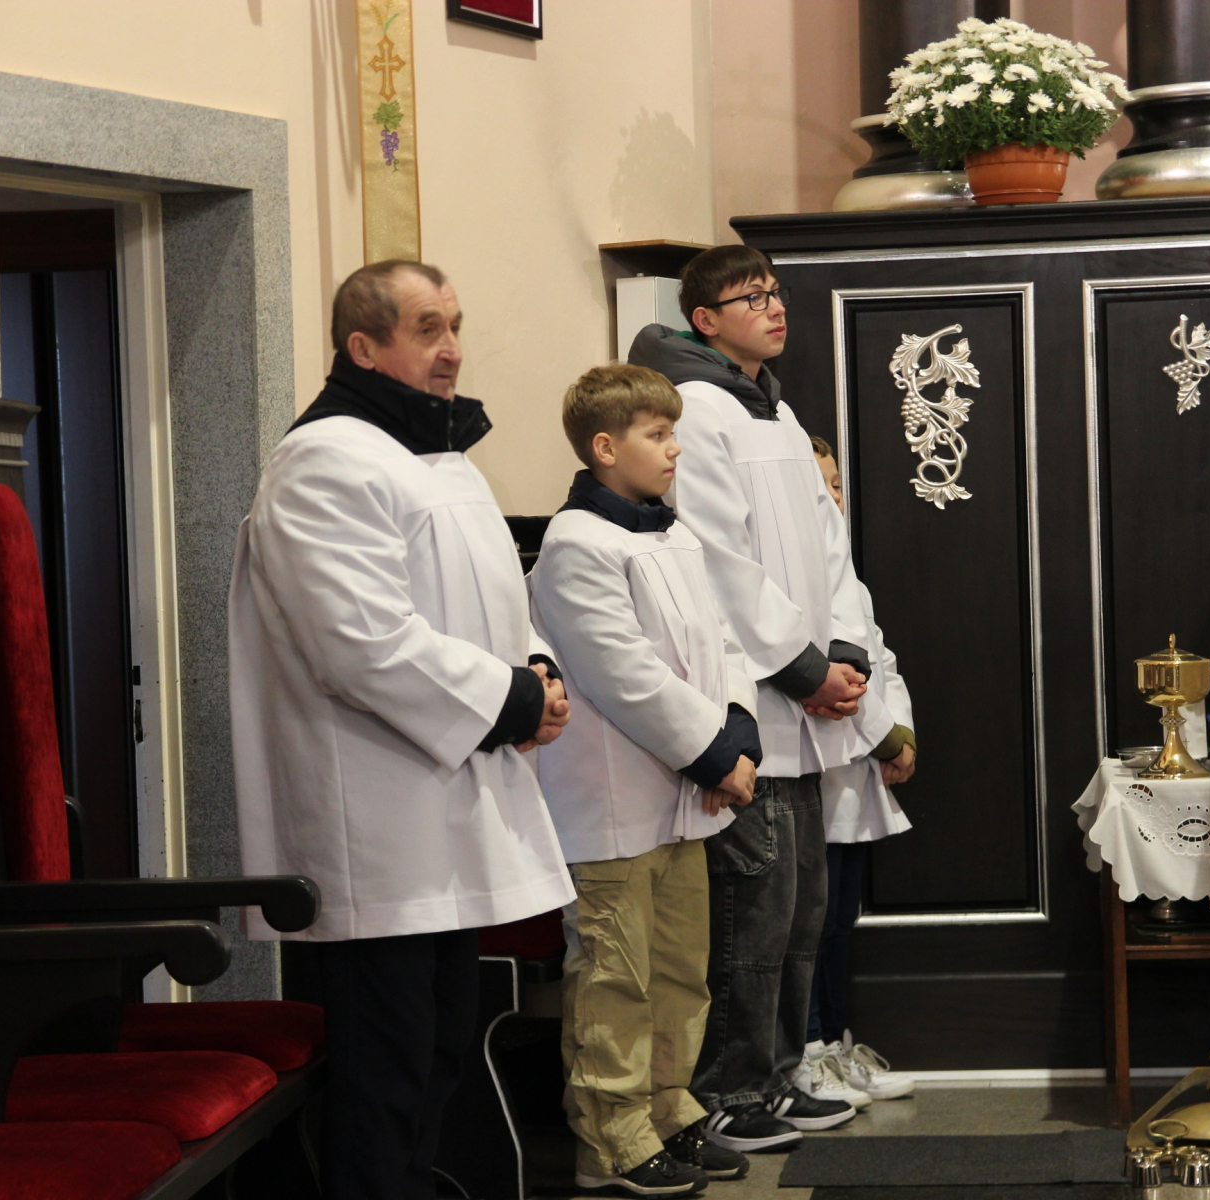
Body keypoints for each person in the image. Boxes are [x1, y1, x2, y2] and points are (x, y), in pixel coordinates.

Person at [229, 260, 575, 1200]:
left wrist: (536, 670)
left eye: (456, 325)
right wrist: (510, 700)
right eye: (428, 329)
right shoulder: (323, 461)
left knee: (437, 1054)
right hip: (374, 831)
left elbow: (493, 603)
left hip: (441, 820)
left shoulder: (437, 457)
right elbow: (361, 642)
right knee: (382, 1077)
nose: (453, 348)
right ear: (364, 346)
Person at [628, 244, 902, 1152]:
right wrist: (804, 670)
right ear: (704, 319)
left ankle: (779, 1077)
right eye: (752, 298)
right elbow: (722, 562)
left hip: (810, 703)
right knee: (753, 917)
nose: (775, 308)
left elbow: (831, 548)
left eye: (776, 292)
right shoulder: (697, 410)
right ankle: (730, 1091)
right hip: (759, 706)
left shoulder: (776, 411)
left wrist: (846, 651)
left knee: (800, 917)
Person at [530, 363, 765, 1196]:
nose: (674, 450)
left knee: (678, 970)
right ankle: (611, 1137)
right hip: (613, 804)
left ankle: (668, 1107)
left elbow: (723, 643)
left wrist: (740, 731)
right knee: (616, 976)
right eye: (657, 435)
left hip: (684, 796)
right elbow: (622, 674)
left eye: (673, 433)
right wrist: (716, 756)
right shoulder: (576, 544)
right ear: (605, 447)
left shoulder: (673, 534)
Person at [795, 437, 921, 1108]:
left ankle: (837, 1041)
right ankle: (808, 1049)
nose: (833, 498)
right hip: (819, 761)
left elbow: (882, 663)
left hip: (856, 767)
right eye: (820, 487)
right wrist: (883, 738)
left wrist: (903, 734)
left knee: (841, 918)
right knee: (809, 924)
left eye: (838, 484)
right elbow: (835, 676)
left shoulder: (850, 582)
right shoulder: (797, 579)